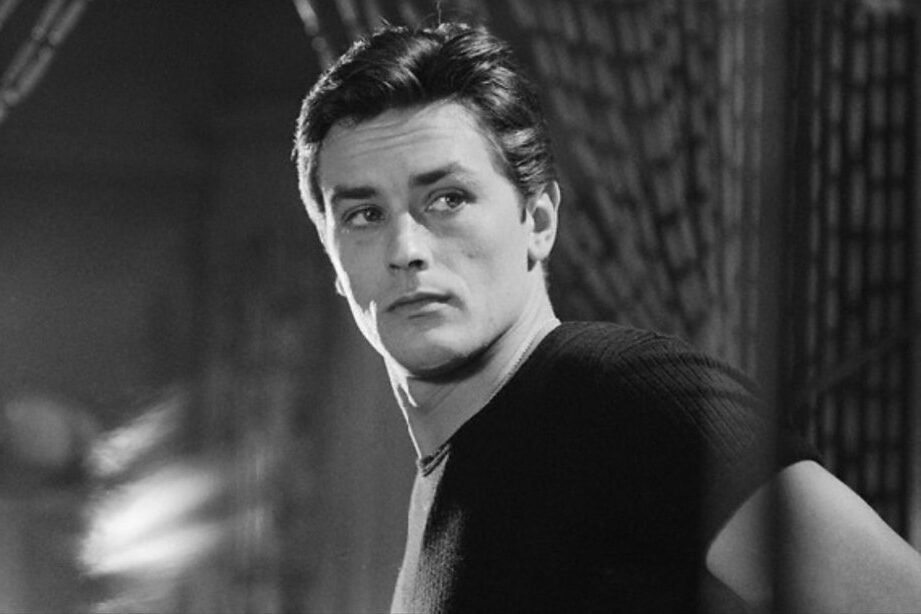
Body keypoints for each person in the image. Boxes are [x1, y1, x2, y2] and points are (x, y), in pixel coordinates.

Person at [293, 22, 921, 613]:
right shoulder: (450, 475)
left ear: (539, 221)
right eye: (364, 215)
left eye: (447, 199)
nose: (406, 249)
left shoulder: (627, 397)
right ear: (332, 257)